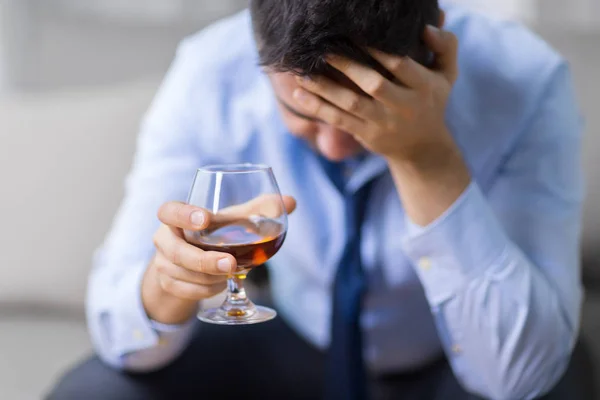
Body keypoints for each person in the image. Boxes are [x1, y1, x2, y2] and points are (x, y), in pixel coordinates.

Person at [48, 0, 592, 399]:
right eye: (305, 115)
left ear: (433, 52)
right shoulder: (211, 73)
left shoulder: (526, 80)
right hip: (293, 338)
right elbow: (119, 332)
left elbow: (520, 377)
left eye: (362, 119)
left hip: (453, 355)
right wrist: (170, 284)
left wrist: (424, 156)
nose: (334, 146)